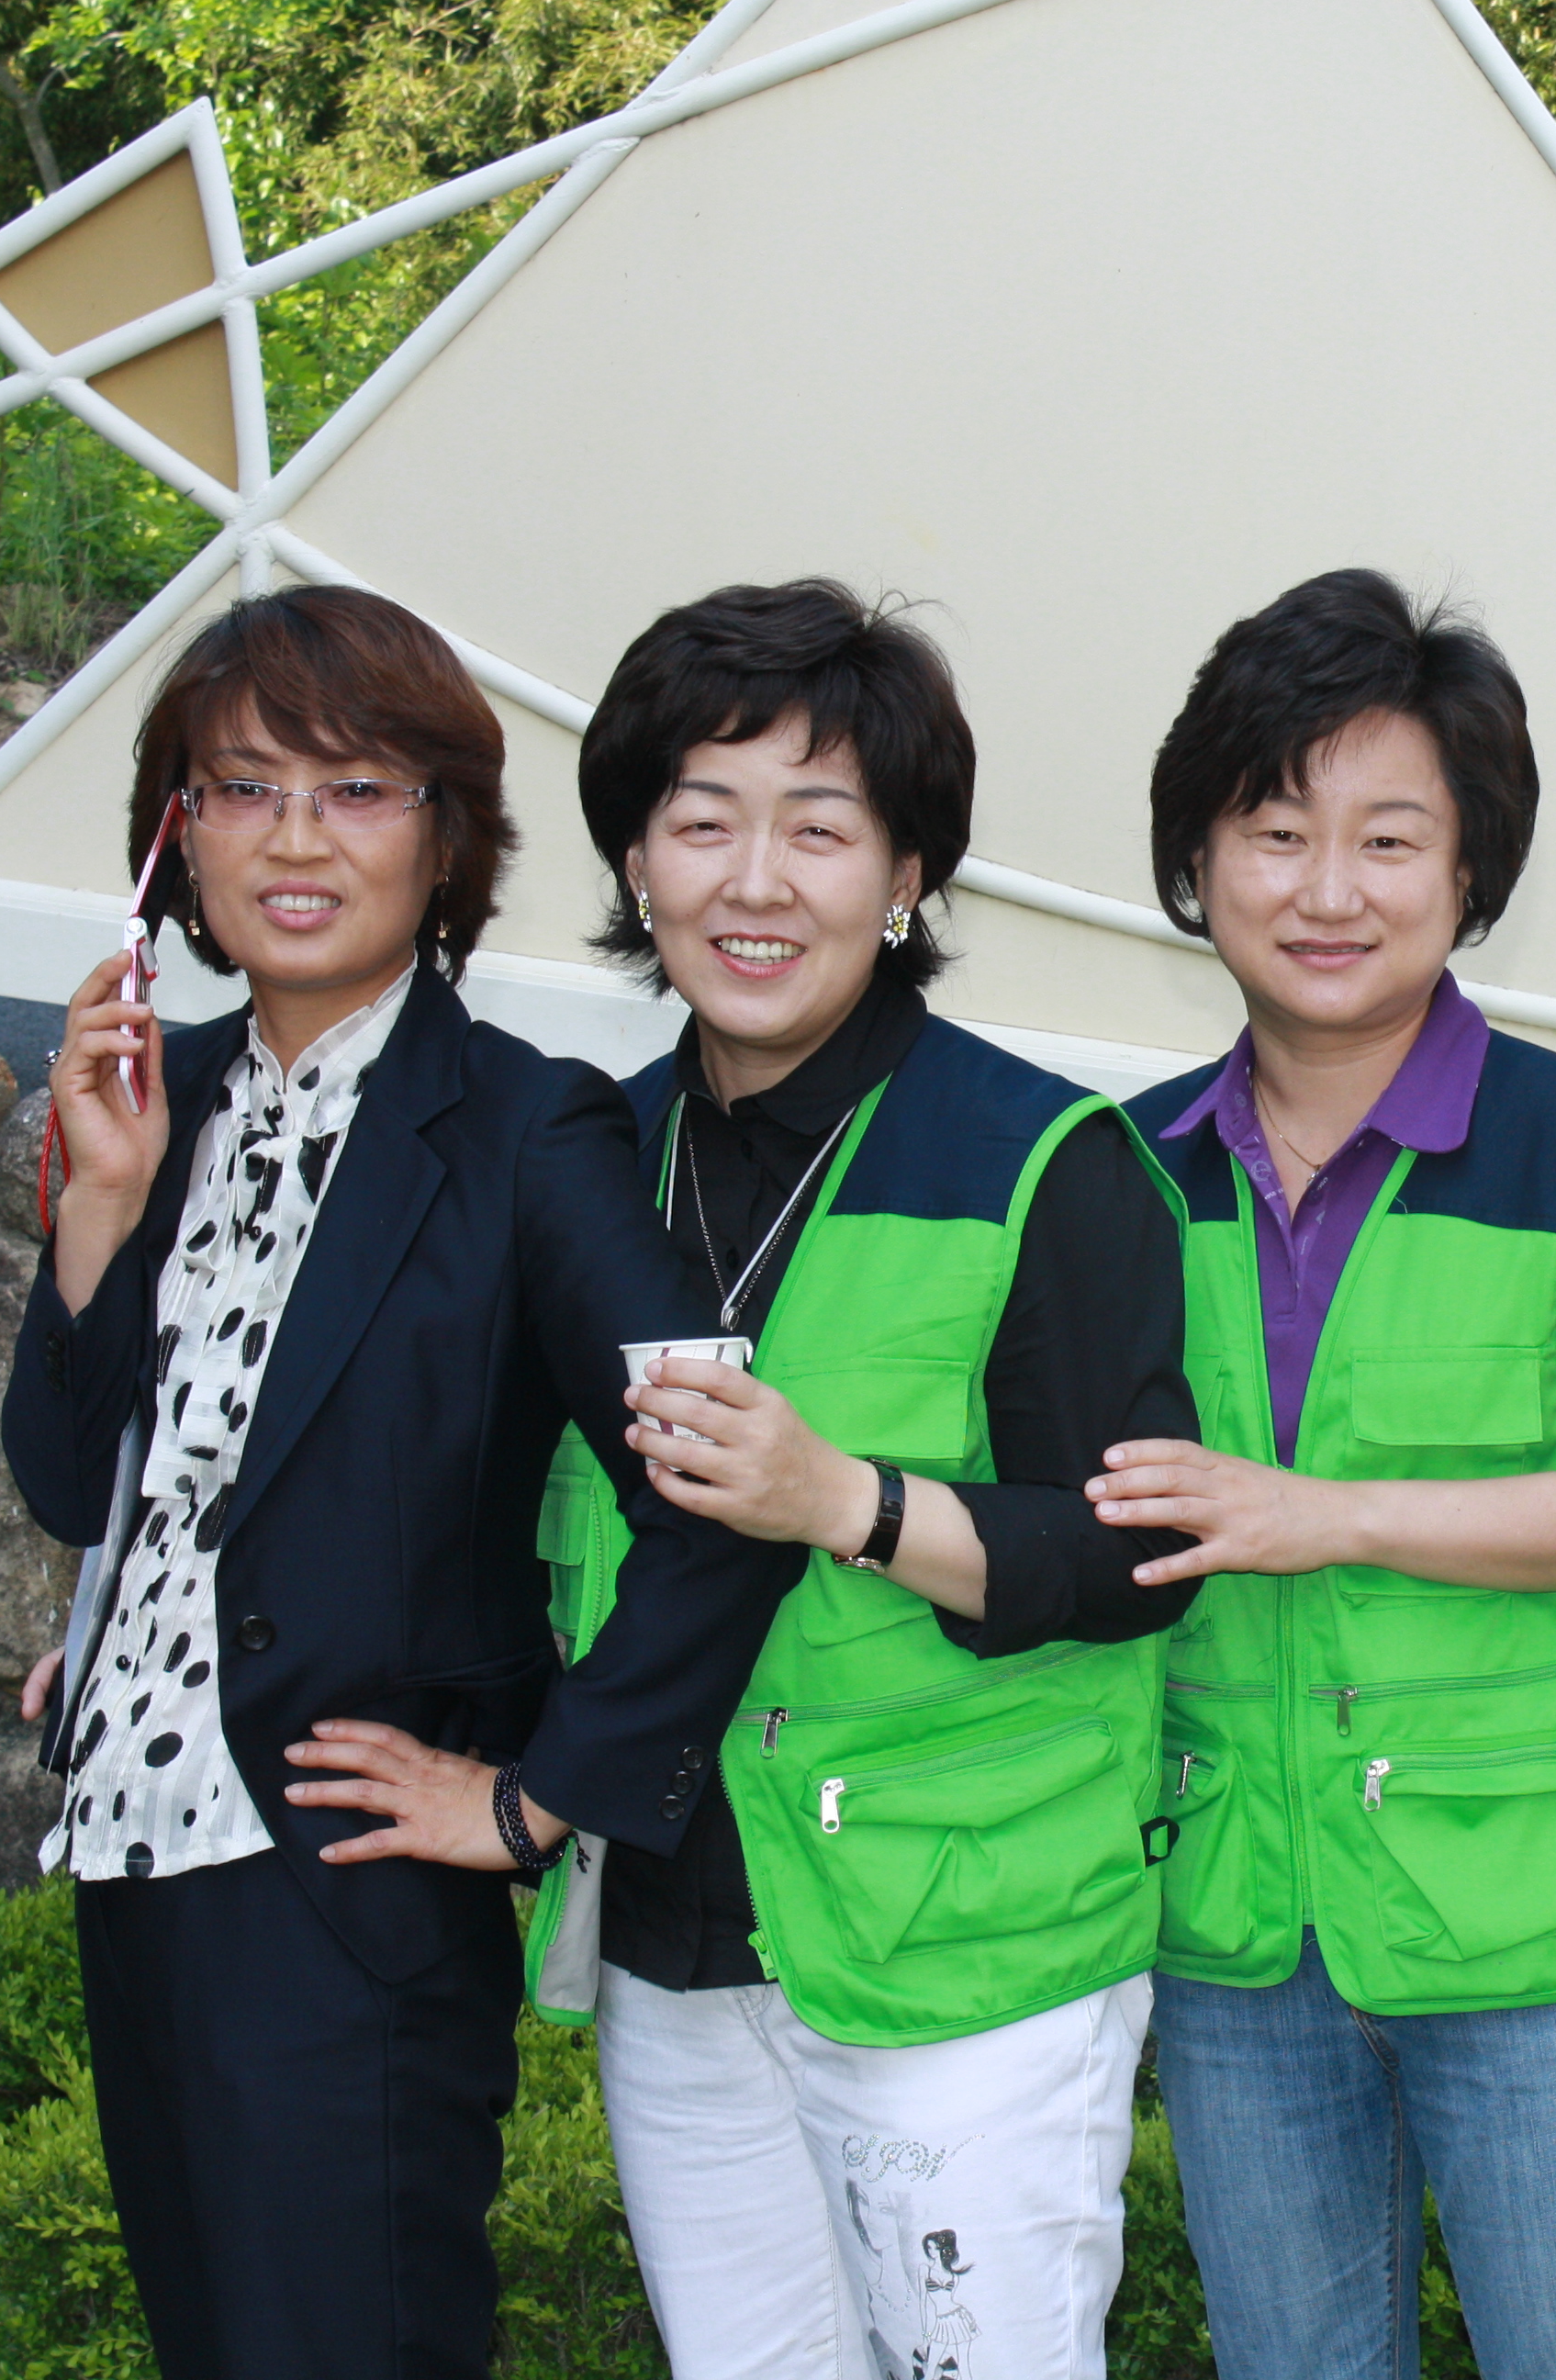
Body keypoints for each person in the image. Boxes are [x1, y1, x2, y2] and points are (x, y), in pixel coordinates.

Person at [1, 585, 805, 2380]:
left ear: (446, 837)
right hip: (138, 1863)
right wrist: (101, 1207)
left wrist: (537, 1800)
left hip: (343, 1904)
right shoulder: (155, 1099)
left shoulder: (530, 1128)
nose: (295, 840)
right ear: (176, 838)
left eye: (359, 790)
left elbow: (725, 1493)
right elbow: (66, 1484)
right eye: (242, 787)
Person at [502, 581, 1200, 2379]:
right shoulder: (588, 1159)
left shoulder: (1043, 1157)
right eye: (702, 823)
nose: (756, 883)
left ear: (906, 876)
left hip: (965, 1959)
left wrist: (851, 1505)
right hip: (673, 1935)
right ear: (635, 862)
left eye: (820, 829)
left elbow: (1137, 1557)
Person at [1085, 567, 1556, 2380]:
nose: (1328, 891)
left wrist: (1330, 1519)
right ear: (1198, 860)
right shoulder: (1126, 1172)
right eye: (1274, 831)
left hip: (1547, 1937)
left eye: (1390, 840)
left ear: (1471, 875)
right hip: (1242, 1926)